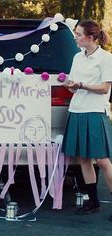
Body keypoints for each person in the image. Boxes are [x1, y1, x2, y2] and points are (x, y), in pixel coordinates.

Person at [62, 19, 112, 217]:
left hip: (95, 111)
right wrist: (71, 85)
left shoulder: (106, 58)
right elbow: (74, 83)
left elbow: (105, 88)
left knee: (102, 160)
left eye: (79, 34)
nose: (75, 37)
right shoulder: (77, 57)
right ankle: (93, 202)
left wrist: (81, 85)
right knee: (83, 159)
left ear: (90, 37)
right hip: (77, 110)